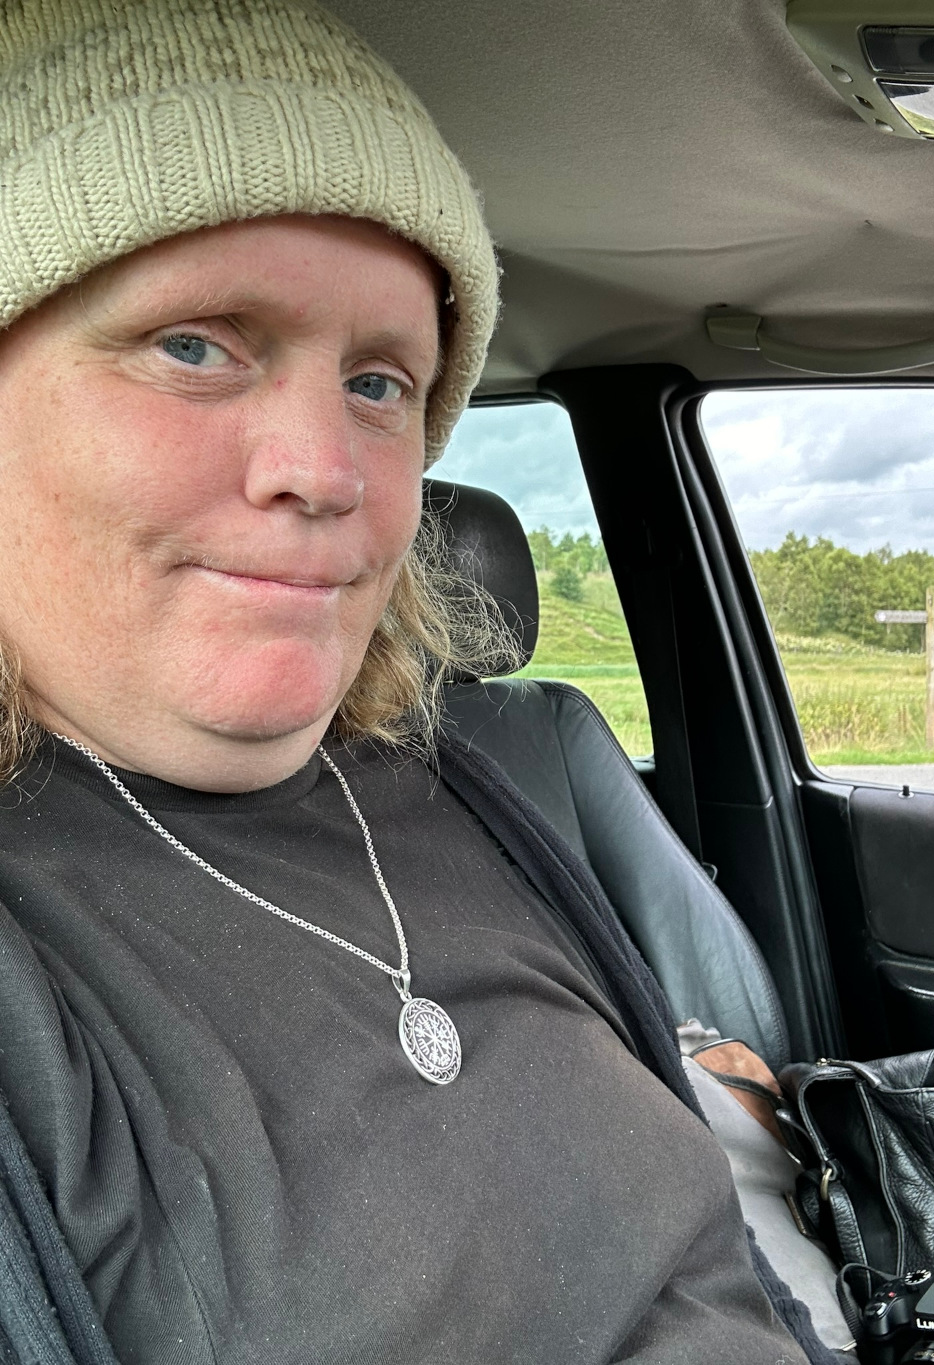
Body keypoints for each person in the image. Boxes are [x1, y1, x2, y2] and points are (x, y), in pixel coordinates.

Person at [0, 2, 834, 1361]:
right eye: (195, 344)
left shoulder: (471, 782)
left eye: (383, 382)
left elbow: (718, 1247)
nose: (325, 471)